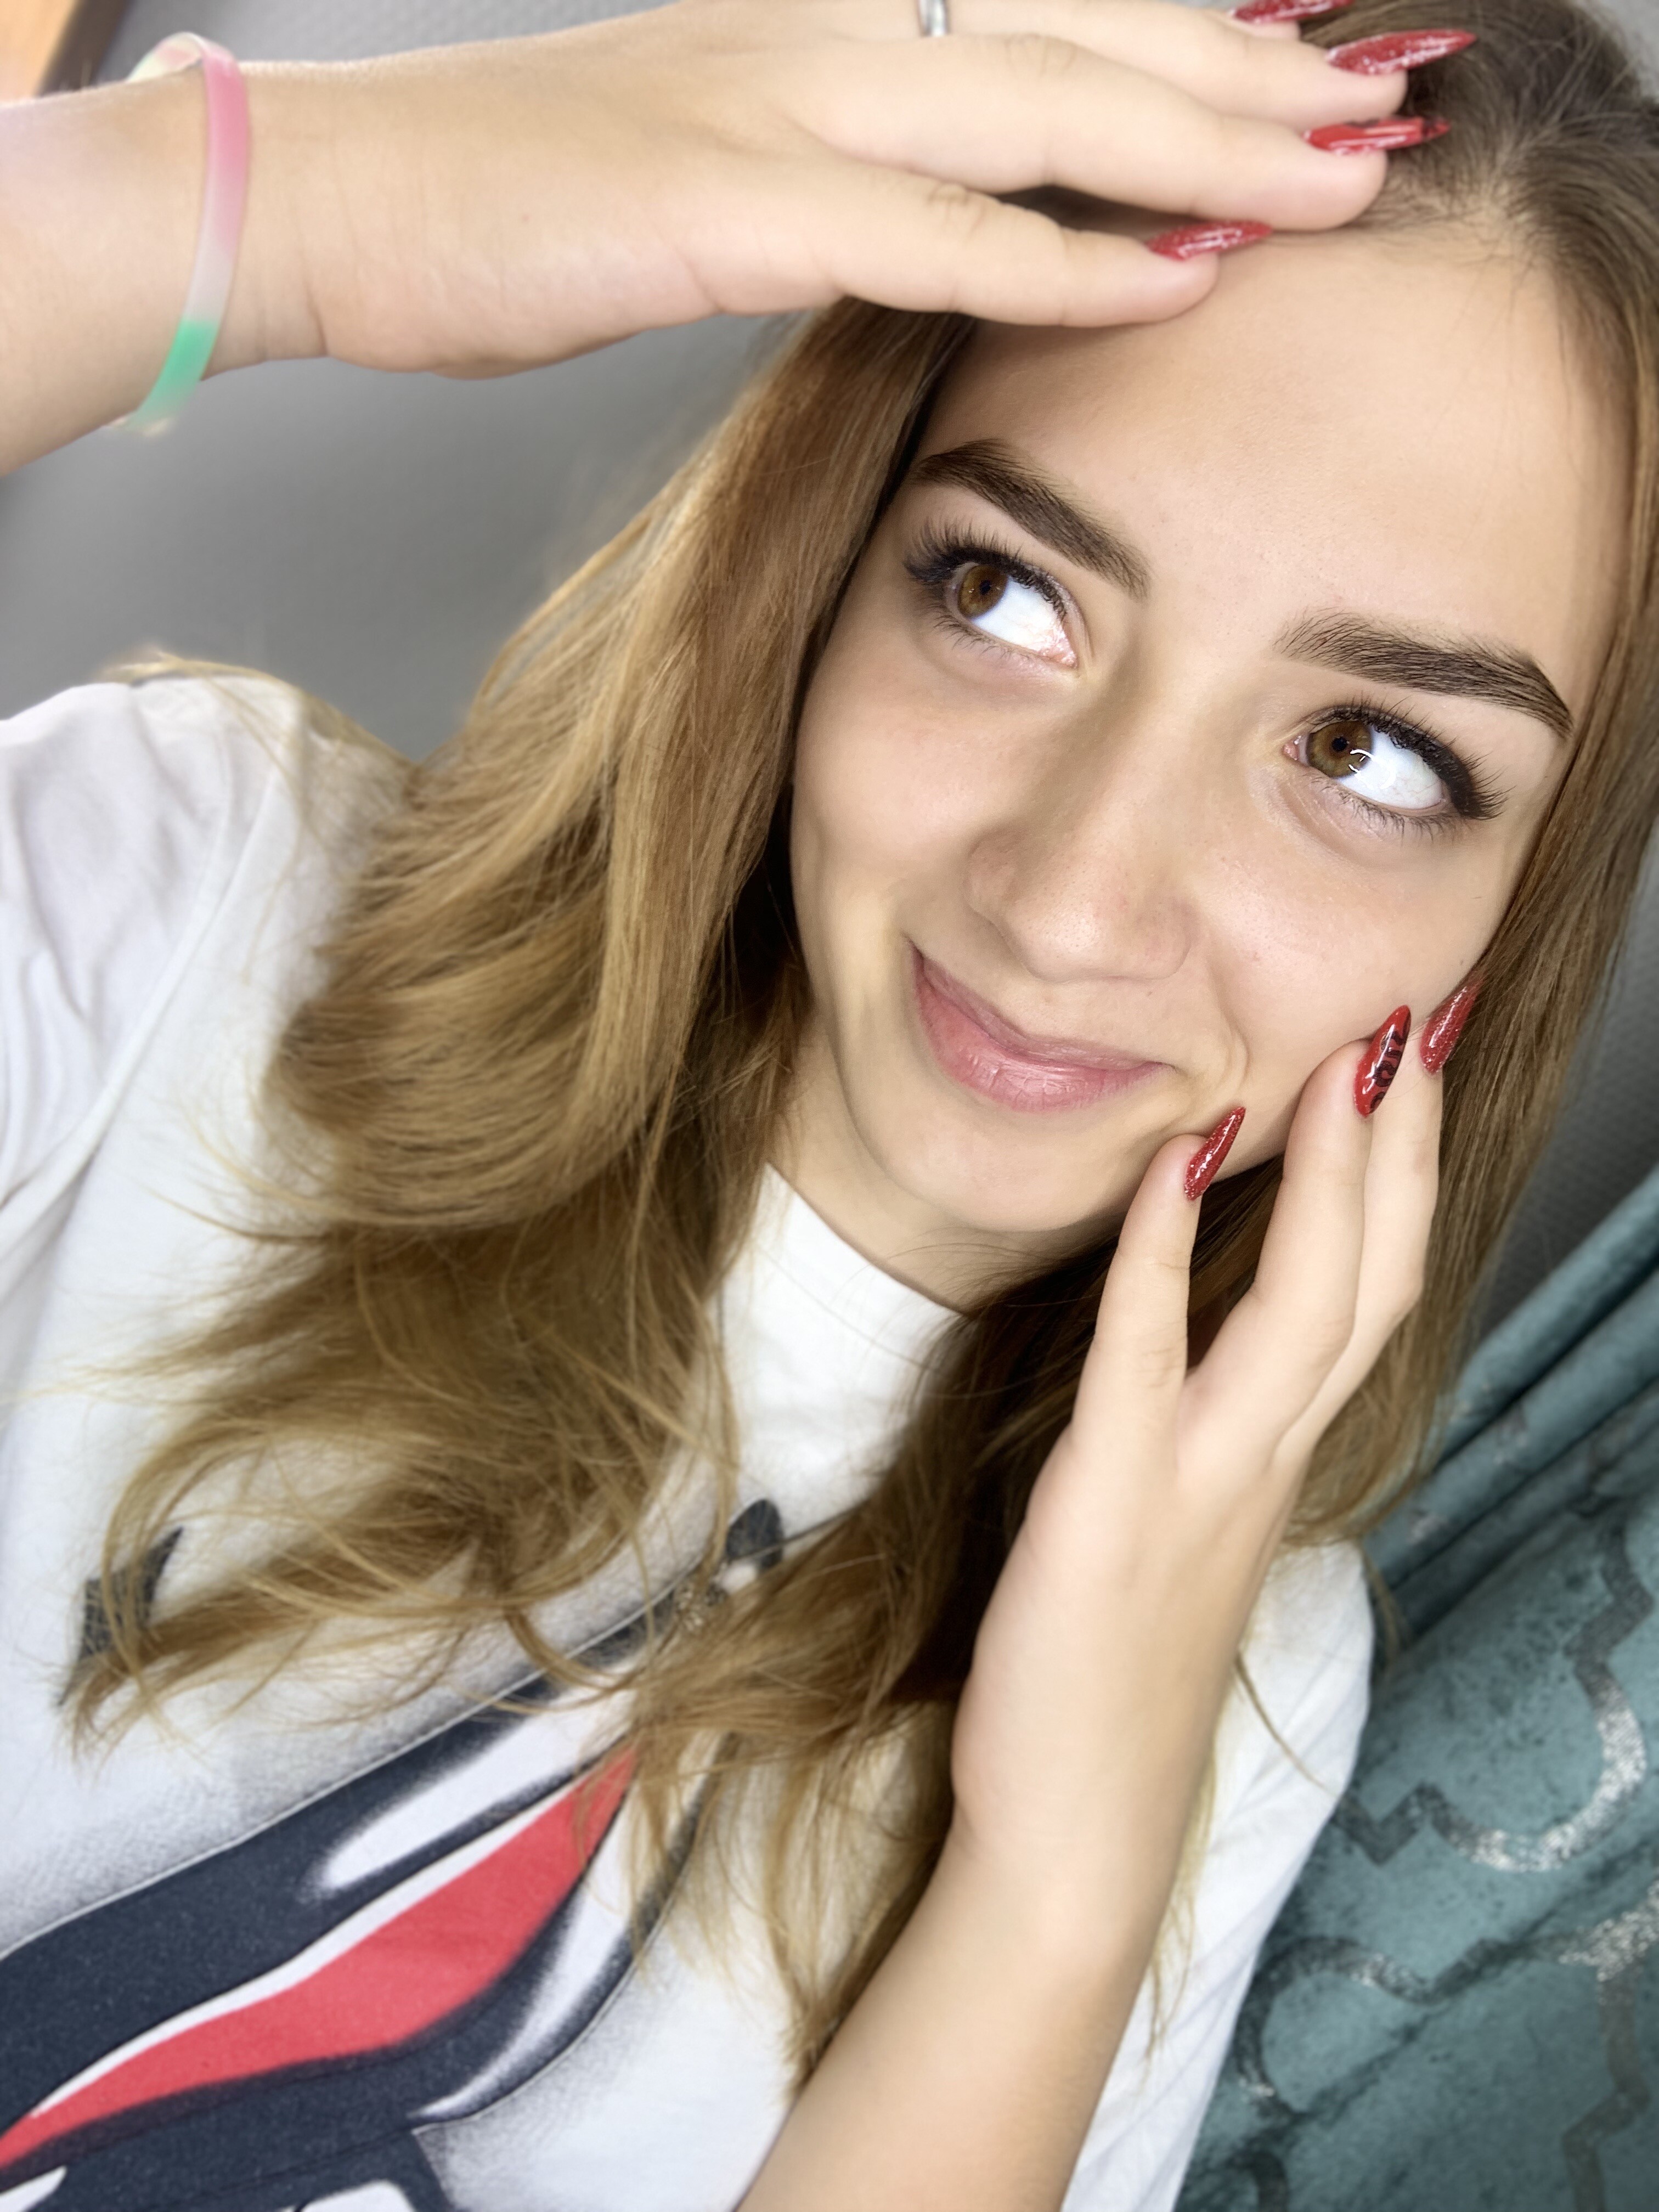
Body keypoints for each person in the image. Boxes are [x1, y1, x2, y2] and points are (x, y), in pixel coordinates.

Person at [0, 0, 1654, 2206]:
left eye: (1368, 755)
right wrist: (271, 208)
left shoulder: (1239, 1666)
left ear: (1518, 917)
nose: (1073, 901)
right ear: (827, 554)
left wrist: (1052, 1890)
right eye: (1009, 594)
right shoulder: (186, 901)